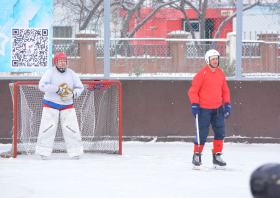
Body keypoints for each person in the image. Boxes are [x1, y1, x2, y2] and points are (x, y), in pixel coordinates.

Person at [35, 52, 84, 159]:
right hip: (50, 104)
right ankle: (43, 151)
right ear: (56, 62)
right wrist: (57, 89)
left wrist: (73, 94)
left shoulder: (71, 73)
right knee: (47, 128)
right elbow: (42, 85)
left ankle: (75, 152)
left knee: (71, 128)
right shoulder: (50, 72)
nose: (63, 63)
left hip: (67, 105)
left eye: (64, 61)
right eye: (60, 61)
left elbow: (80, 87)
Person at [188, 49, 231, 169]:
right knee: (202, 133)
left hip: (217, 109)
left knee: (220, 132)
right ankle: (197, 155)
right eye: (213, 59)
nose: (215, 61)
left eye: (217, 59)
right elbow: (193, 91)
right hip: (203, 109)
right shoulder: (201, 74)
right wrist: (195, 104)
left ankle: (217, 156)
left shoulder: (220, 73)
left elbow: (225, 91)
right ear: (208, 60)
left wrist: (227, 104)